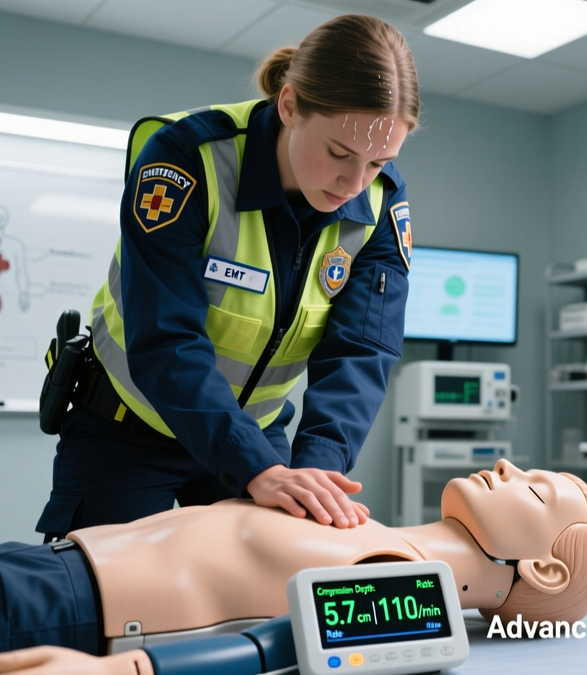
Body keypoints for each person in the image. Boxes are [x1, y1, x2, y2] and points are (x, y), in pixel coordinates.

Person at [36, 14, 420, 540]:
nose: (356, 183)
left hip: (260, 440)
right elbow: (166, 336)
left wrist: (318, 465)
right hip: (128, 430)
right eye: (338, 153)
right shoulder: (187, 159)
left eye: (378, 162)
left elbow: (362, 348)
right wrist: (254, 467)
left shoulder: (381, 201)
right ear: (289, 106)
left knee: (274, 597)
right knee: (107, 605)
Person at [0, 461, 587, 675]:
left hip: (78, 614)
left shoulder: (422, 587)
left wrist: (136, 669)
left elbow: (282, 647)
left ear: (537, 566)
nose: (510, 466)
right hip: (58, 564)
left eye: (538, 488)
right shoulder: (390, 528)